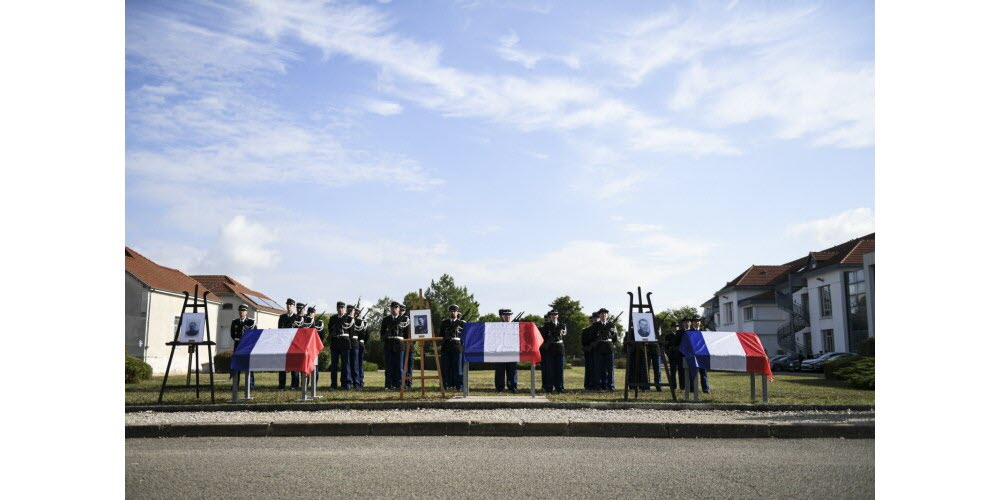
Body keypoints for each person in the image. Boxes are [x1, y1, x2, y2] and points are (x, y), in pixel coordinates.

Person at [380, 301, 409, 390]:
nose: (394, 309)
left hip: (399, 344)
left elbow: (407, 334)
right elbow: (382, 333)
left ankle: (399, 384)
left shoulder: (404, 319)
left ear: (399, 309)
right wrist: (385, 336)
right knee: (389, 366)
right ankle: (388, 385)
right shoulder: (386, 319)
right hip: (389, 343)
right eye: (392, 308)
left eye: (396, 308)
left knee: (399, 366)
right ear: (390, 309)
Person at [327, 301, 354, 390]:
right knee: (334, 365)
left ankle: (346, 384)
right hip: (335, 342)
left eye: (342, 308)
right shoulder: (332, 318)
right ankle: (333, 384)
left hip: (345, 342)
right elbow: (330, 330)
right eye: (339, 308)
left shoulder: (349, 318)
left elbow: (351, 332)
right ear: (337, 308)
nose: (340, 309)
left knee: (345, 364)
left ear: (344, 309)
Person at [540, 310, 567, 394]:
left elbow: (564, 333)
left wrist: (560, 331)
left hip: (559, 348)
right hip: (550, 349)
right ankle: (549, 387)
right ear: (550, 316)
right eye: (552, 315)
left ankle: (560, 387)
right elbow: (543, 337)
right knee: (550, 370)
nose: (554, 316)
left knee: (559, 370)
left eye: (556, 314)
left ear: (557, 316)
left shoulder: (562, 325)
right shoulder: (546, 326)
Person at [439, 305, 465, 391]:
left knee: (458, 368)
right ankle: (446, 385)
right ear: (448, 312)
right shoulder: (444, 323)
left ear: (457, 312)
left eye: (454, 311)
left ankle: (459, 385)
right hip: (446, 347)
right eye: (451, 311)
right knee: (445, 367)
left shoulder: (462, 323)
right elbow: (440, 335)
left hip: (457, 347)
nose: (453, 312)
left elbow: (464, 336)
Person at [230, 304, 255, 389]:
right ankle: (235, 384)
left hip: (247, 346)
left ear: (246, 312)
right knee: (236, 365)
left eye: (243, 310)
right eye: (240, 310)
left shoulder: (251, 322)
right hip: (238, 346)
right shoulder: (235, 322)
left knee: (249, 365)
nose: (241, 312)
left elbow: (254, 335)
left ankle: (250, 384)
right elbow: (232, 334)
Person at [277, 298, 300, 389]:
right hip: (284, 343)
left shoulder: (298, 317)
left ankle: (294, 384)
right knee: (282, 364)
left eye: (291, 305)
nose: (289, 306)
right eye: (287, 304)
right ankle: (281, 384)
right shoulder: (282, 317)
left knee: (294, 364)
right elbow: (279, 330)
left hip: (294, 343)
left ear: (294, 306)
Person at [593, 308, 618, 391]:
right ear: (599, 315)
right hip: (599, 348)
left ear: (607, 315)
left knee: (610, 368)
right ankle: (599, 386)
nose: (604, 315)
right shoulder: (595, 325)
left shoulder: (611, 325)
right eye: (602, 314)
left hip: (608, 347)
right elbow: (593, 336)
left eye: (605, 314)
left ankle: (610, 386)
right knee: (599, 368)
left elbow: (615, 337)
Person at [494, 308, 518, 393]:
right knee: (500, 370)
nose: (508, 317)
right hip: (501, 351)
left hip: (512, 351)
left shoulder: (515, 326)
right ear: (502, 316)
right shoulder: (497, 327)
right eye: (505, 315)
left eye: (509, 315)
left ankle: (512, 387)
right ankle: (500, 387)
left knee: (512, 370)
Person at [687, 317, 710, 394]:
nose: (697, 323)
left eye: (698, 321)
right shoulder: (688, 332)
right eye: (695, 321)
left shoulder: (704, 332)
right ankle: (692, 389)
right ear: (692, 323)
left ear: (700, 323)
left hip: (702, 355)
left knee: (703, 373)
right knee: (692, 373)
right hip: (692, 355)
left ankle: (706, 389)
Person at [664, 320, 686, 396]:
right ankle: (673, 387)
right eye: (674, 327)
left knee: (681, 372)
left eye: (677, 327)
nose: (675, 328)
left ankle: (682, 387)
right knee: (672, 372)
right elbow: (666, 347)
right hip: (672, 357)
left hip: (680, 356)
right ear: (671, 328)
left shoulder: (681, 334)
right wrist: (669, 354)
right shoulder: (668, 336)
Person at [581, 312, 598, 391]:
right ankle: (588, 384)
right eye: (593, 319)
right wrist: (588, 347)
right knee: (589, 369)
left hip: (597, 351)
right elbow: (583, 342)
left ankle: (595, 384)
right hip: (589, 352)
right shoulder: (586, 330)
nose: (594, 320)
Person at [351, 306, 367, 388]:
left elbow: (366, 334)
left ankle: (360, 380)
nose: (356, 314)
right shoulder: (351, 321)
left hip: (360, 344)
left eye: (357, 313)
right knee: (354, 364)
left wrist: (362, 342)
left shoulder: (362, 322)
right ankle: (354, 381)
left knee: (359, 364)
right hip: (353, 343)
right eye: (355, 313)